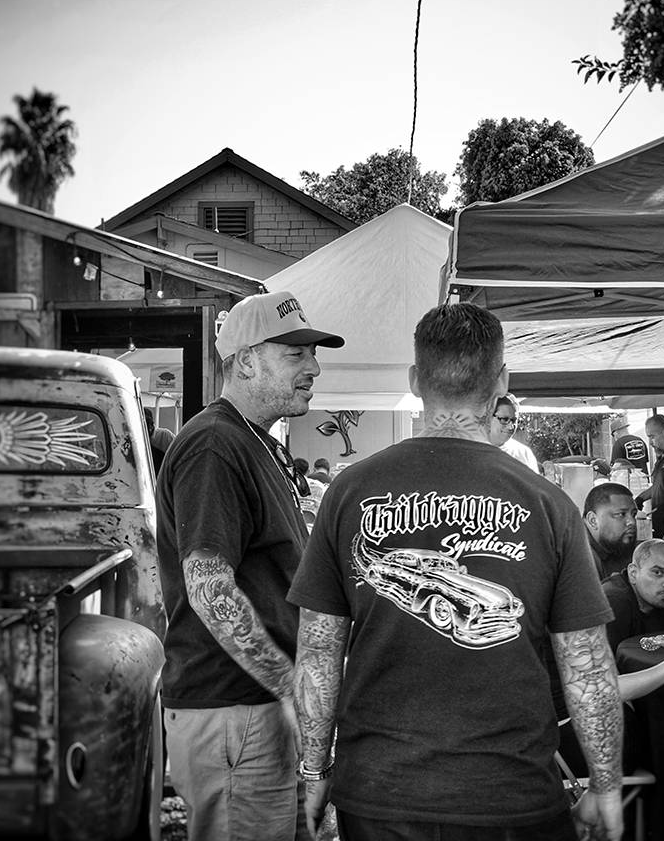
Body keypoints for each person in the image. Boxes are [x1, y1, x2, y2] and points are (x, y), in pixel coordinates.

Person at [289, 302, 626, 841]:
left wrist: (314, 769)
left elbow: (319, 650)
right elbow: (587, 665)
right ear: (501, 382)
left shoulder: (349, 492)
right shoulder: (549, 503)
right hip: (511, 793)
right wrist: (606, 783)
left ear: (415, 380)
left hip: (380, 792)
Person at [154, 290, 344, 841]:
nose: (314, 367)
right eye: (296, 354)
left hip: (254, 708)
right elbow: (209, 589)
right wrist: (290, 685)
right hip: (236, 711)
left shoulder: (254, 441)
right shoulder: (215, 443)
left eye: (313, 354)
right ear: (245, 361)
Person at [556, 539, 664, 780]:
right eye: (657, 573)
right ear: (633, 572)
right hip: (567, 737)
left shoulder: (660, 599)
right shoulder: (612, 603)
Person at [583, 482, 639, 580]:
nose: (632, 522)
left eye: (633, 514)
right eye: (621, 514)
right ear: (593, 520)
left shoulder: (616, 543)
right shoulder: (577, 558)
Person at [488, 392, 541, 474]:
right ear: (488, 418)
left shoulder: (524, 454)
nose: (510, 426)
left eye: (514, 420)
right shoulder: (470, 450)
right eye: (504, 419)